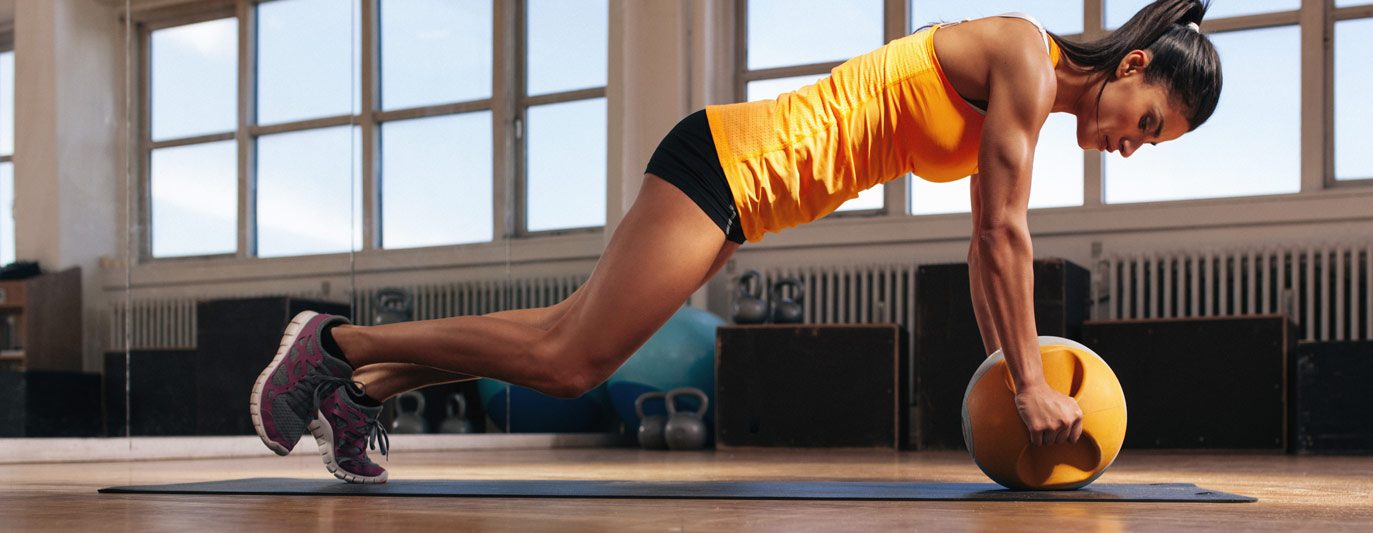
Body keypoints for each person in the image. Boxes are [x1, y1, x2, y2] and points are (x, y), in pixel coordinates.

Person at [250, 0, 1222, 484]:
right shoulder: (1022, 53)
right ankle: (334, 346)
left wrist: (1015, 369)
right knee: (572, 359)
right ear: (1133, 65)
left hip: (741, 200)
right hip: (725, 166)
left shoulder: (1030, 98)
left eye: (1149, 143)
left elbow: (984, 251)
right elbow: (1002, 229)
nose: (1131, 146)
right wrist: (1025, 381)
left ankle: (360, 391)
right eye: (1147, 123)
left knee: (562, 333)